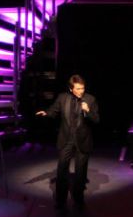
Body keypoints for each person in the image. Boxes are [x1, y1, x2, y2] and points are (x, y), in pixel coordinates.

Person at [36, 75, 100, 209]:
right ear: (71, 89)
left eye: (82, 88)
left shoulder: (90, 99)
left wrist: (87, 111)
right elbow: (54, 111)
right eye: (78, 88)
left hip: (83, 140)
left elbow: (96, 120)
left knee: (80, 172)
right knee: (61, 170)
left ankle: (78, 199)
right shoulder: (62, 98)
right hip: (66, 139)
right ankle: (61, 200)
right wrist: (46, 113)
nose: (81, 91)